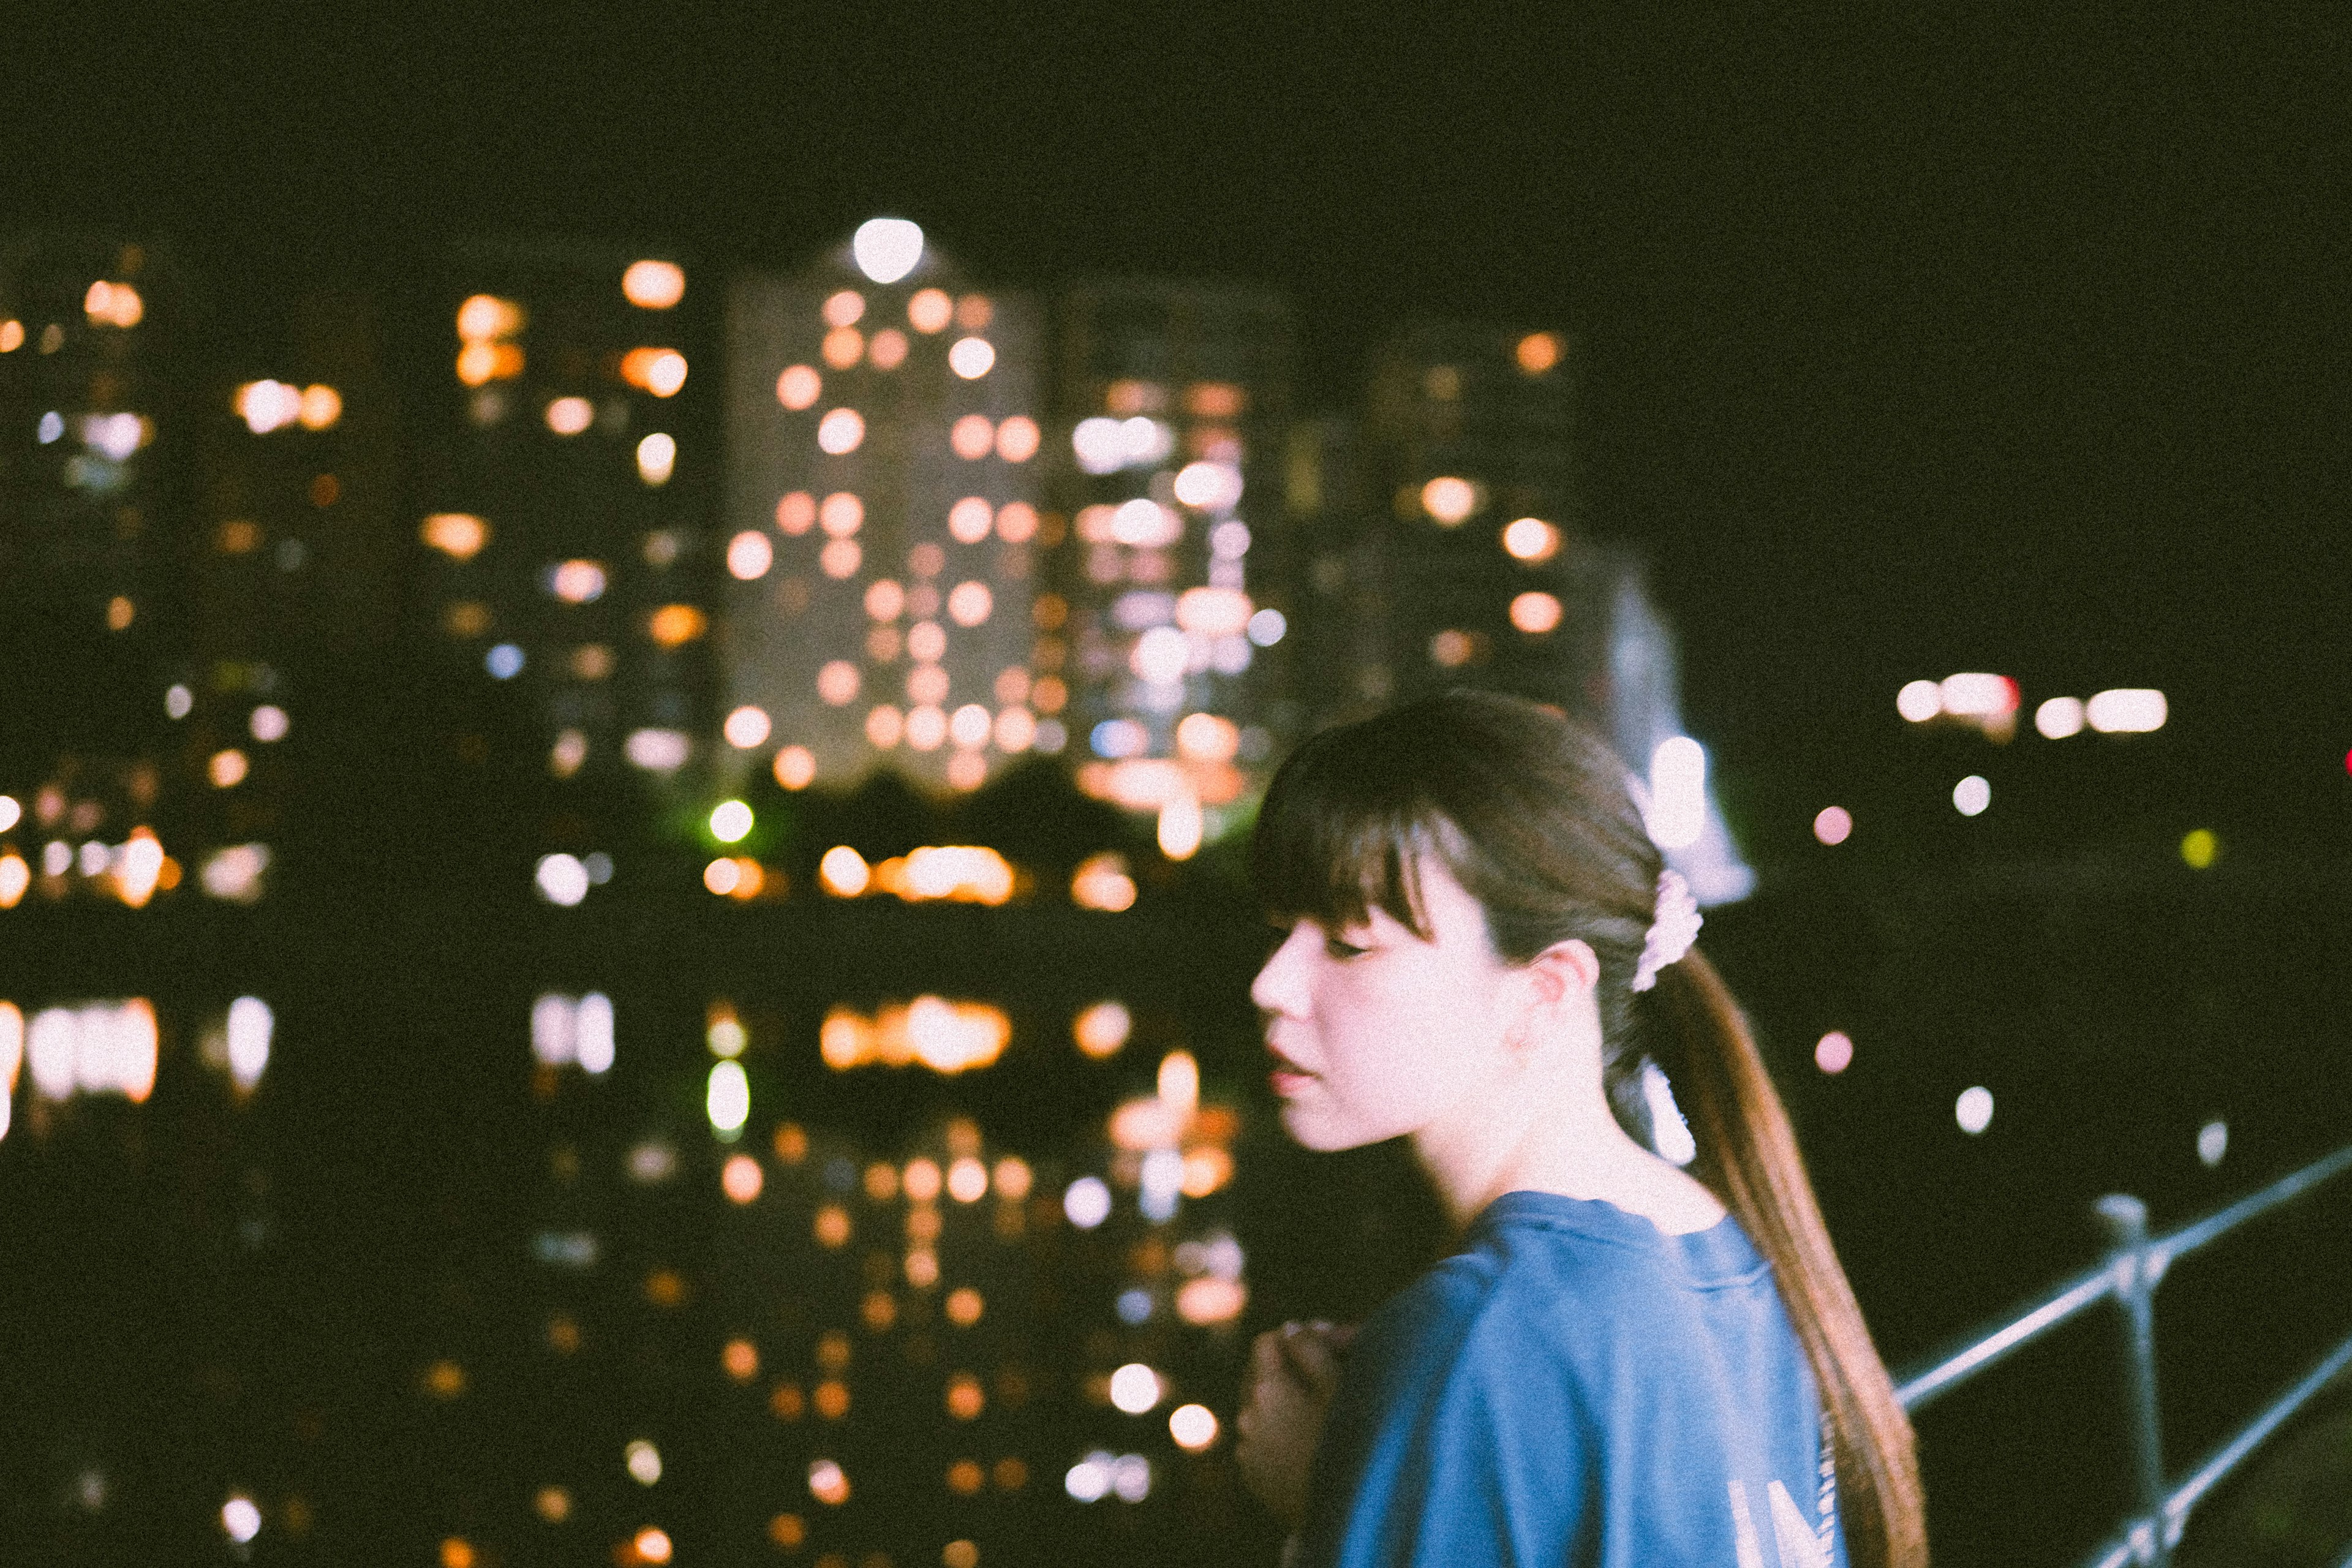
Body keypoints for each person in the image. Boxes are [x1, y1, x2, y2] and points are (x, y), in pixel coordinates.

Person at [1231, 692, 1926, 1568]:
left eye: (1350, 942)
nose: (1273, 984)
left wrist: (1332, 1491)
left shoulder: (1485, 1329)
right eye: (1280, 930)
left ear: (1546, 989)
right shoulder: (1716, 1244)